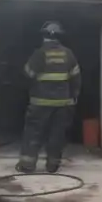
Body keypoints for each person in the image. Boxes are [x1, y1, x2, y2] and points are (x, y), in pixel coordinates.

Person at [16, 21, 81, 174]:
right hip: (63, 104)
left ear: (44, 36)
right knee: (57, 134)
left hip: (40, 102)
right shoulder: (69, 54)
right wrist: (74, 96)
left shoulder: (39, 54)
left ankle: (28, 165)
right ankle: (53, 165)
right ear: (60, 37)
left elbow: (27, 75)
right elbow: (76, 79)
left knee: (34, 132)